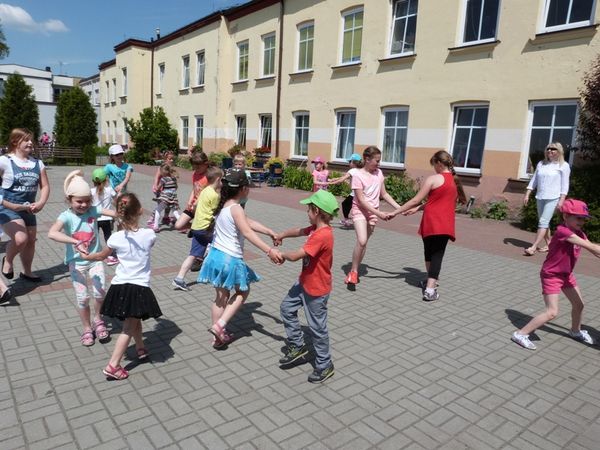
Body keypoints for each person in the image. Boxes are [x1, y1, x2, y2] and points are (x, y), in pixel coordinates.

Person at [197, 169, 283, 348]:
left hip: (215, 256)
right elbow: (247, 231)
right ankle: (220, 326)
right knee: (243, 292)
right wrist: (269, 251)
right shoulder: (236, 208)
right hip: (230, 259)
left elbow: (249, 222)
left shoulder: (225, 206)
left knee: (221, 297)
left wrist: (269, 231)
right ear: (243, 189)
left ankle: (217, 336)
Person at [82, 193, 162, 380]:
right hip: (138, 288)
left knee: (136, 320)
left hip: (119, 287)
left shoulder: (115, 238)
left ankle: (140, 348)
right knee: (128, 327)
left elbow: (101, 256)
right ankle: (113, 365)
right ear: (140, 211)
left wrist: (86, 256)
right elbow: (144, 243)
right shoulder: (149, 235)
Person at [511, 199, 600, 350]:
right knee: (552, 312)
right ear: (565, 216)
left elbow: (593, 249)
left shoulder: (580, 233)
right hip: (551, 275)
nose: (582, 221)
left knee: (579, 304)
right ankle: (520, 334)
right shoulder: (563, 232)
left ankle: (575, 331)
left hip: (566, 274)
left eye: (584, 218)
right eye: (578, 217)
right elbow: (589, 246)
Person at [48, 170, 117, 346]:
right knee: (83, 297)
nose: (84, 205)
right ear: (69, 199)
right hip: (76, 264)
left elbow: (114, 213)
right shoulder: (66, 216)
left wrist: (129, 213)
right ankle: (87, 328)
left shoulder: (93, 210)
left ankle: (98, 319)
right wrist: (74, 241)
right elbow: (52, 233)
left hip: (95, 260)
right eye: (79, 201)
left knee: (100, 291)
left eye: (87, 201)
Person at [275, 190, 338, 383]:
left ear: (317, 211)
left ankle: (324, 365)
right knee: (286, 308)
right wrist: (282, 234)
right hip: (304, 282)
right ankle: (298, 345)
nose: (306, 212)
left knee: (317, 329)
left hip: (316, 290)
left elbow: (295, 256)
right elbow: (299, 231)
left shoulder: (323, 235)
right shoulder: (315, 229)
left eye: (308, 209)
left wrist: (279, 253)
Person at [392, 150, 467, 301]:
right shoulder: (454, 181)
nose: (433, 168)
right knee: (437, 255)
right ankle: (430, 287)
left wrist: (396, 211)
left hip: (431, 222)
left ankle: (430, 286)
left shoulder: (433, 179)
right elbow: (437, 201)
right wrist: (417, 209)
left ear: (439, 163)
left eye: (434, 164)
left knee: (429, 253)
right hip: (444, 223)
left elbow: (415, 199)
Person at [345, 146, 401, 286]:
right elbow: (361, 201)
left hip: (373, 212)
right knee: (362, 240)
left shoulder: (379, 173)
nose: (379, 163)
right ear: (367, 159)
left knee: (363, 244)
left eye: (379, 160)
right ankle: (353, 271)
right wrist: (380, 214)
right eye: (376, 160)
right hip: (360, 210)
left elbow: (384, 194)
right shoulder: (357, 175)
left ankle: (355, 270)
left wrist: (399, 208)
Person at [0, 128, 50, 282]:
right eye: (26, 140)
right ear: (15, 141)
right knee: (21, 239)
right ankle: (7, 261)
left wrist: (41, 203)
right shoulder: (4, 161)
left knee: (30, 242)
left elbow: (46, 186)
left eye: (31, 140)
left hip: (29, 208)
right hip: (8, 208)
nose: (30, 143)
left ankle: (27, 272)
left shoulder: (37, 163)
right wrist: (6, 203)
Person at [172, 166, 223, 291]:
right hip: (206, 228)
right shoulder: (215, 195)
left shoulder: (204, 191)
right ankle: (218, 276)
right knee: (221, 248)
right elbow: (217, 212)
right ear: (217, 180)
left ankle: (179, 278)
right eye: (221, 180)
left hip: (196, 228)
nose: (222, 183)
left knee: (193, 255)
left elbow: (194, 205)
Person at [523, 142, 570, 256]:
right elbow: (534, 180)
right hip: (540, 196)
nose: (549, 151)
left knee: (543, 222)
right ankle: (549, 244)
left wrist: (561, 200)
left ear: (559, 151)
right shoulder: (541, 164)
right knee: (544, 222)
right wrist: (528, 193)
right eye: (548, 148)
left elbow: (565, 185)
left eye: (553, 149)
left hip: (553, 198)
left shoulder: (563, 165)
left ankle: (533, 247)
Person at [91, 168, 118, 266]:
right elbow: (116, 200)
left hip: (95, 219)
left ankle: (94, 254)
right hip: (107, 218)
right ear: (106, 179)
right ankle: (110, 256)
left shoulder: (91, 191)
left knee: (94, 237)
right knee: (108, 237)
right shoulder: (110, 189)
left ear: (93, 181)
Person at [328, 153, 363, 227]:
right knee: (356, 206)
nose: (349, 163)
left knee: (345, 204)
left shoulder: (352, 170)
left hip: (355, 193)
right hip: (361, 193)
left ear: (353, 162)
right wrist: (334, 179)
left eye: (350, 162)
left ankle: (346, 220)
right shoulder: (361, 170)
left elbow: (342, 180)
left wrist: (330, 183)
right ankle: (360, 221)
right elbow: (344, 177)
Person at [150, 164, 181, 233]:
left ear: (163, 172)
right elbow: (176, 187)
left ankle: (156, 227)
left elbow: (158, 188)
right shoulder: (173, 178)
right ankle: (182, 226)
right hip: (173, 197)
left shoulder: (163, 179)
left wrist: (156, 189)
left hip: (165, 197)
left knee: (158, 210)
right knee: (175, 212)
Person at [150, 150, 176, 226]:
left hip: (168, 190)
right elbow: (157, 177)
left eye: (172, 159)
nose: (172, 160)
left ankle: (166, 217)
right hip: (160, 189)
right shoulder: (162, 167)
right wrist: (155, 186)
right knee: (161, 205)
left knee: (168, 204)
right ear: (165, 159)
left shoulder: (171, 168)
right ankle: (152, 219)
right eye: (170, 159)